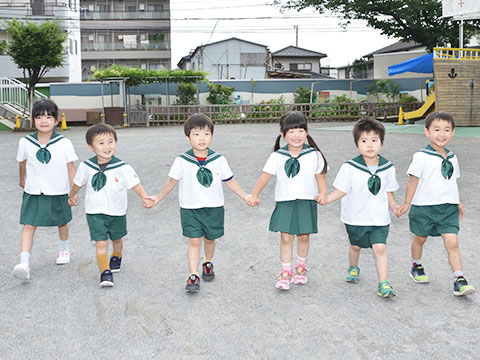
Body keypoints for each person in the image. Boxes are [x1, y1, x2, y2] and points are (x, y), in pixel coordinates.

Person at [145, 113, 251, 293]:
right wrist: (157, 198)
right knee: (194, 240)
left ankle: (207, 263)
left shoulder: (219, 159)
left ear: (212, 136)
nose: (201, 138)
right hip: (190, 208)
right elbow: (171, 181)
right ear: (187, 137)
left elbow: (230, 181)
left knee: (210, 239)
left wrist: (246, 196)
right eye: (196, 134)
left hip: (213, 207)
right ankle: (193, 274)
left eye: (206, 134)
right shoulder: (182, 161)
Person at [398, 112, 475, 296]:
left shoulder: (453, 157)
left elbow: (453, 182)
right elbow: (413, 181)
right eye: (437, 130)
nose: (442, 134)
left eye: (447, 130)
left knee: (452, 242)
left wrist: (459, 202)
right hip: (424, 207)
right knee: (420, 239)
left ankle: (459, 279)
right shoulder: (420, 156)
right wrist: (407, 203)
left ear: (453, 132)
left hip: (448, 208)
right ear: (427, 132)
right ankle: (416, 265)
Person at [248, 111, 327, 291]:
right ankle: (285, 271)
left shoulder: (314, 155)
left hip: (306, 201)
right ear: (283, 135)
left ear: (306, 132)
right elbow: (265, 177)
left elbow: (320, 176)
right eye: (291, 131)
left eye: (300, 130)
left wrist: (323, 193)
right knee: (285, 238)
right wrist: (254, 194)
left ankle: (300, 268)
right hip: (285, 201)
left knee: (304, 236)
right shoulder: (277, 156)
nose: (296, 135)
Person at [324, 118, 399, 298]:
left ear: (381, 142)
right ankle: (353, 267)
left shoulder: (388, 168)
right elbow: (341, 190)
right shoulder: (349, 167)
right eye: (364, 141)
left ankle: (383, 283)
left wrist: (394, 207)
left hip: (379, 218)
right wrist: (326, 199)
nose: (369, 145)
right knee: (355, 246)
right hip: (355, 217)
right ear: (357, 144)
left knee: (380, 248)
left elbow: (388, 191)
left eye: (374, 140)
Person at [68, 124, 149, 287]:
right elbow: (78, 183)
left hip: (117, 212)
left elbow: (135, 184)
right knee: (101, 242)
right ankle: (105, 272)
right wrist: (72, 194)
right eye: (101, 143)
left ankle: (117, 256)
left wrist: (144, 197)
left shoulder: (123, 167)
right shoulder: (86, 166)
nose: (107, 146)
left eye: (110, 142)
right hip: (95, 212)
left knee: (117, 239)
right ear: (91, 147)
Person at [14, 99, 78, 280]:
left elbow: (70, 168)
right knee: (28, 224)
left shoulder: (64, 143)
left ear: (56, 120)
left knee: (62, 221)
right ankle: (24, 263)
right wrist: (22, 180)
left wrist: (73, 192)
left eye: (49, 117)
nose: (44, 121)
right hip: (34, 190)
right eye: (39, 117)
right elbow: (22, 163)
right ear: (33, 120)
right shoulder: (25, 142)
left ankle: (64, 250)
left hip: (58, 190)